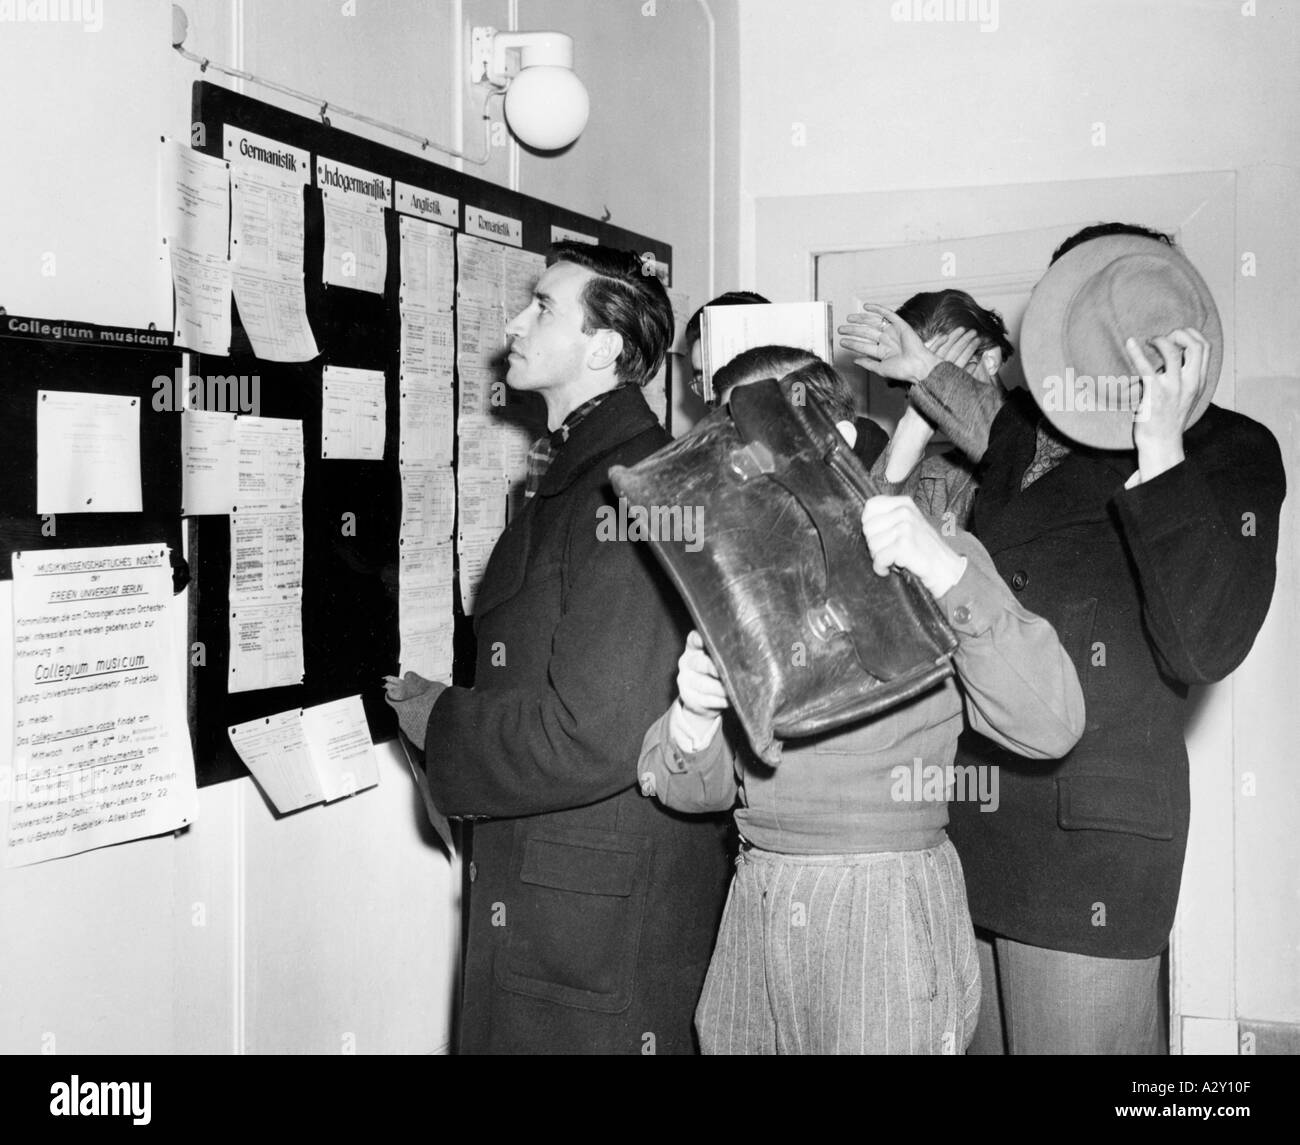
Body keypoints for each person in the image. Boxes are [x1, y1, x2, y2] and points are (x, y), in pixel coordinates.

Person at [842, 223, 1286, 1054]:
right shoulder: (1029, 427)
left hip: (1092, 853)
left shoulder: (1229, 450)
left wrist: (1162, 448)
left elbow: (1207, 645)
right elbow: (982, 414)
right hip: (975, 827)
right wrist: (917, 367)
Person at [636, 358, 1086, 1055]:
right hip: (756, 895)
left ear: (836, 433)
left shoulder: (939, 553)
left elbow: (1050, 725)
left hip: (882, 903)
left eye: (756, 437)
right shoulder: (738, 589)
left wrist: (943, 569)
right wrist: (693, 715)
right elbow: (692, 790)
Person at [384, 243, 731, 1055]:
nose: (515, 322)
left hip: (593, 919)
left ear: (606, 345)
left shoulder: (631, 484)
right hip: (562, 899)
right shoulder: (583, 474)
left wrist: (445, 720)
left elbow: (599, 729)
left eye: (542, 305)